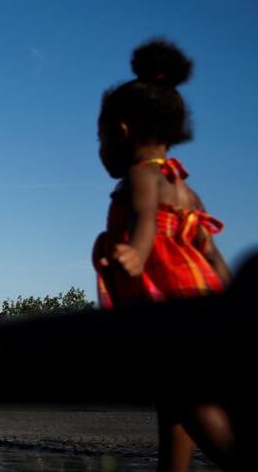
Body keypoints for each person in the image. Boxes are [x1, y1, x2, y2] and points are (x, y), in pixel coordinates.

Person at [92, 39, 236, 471]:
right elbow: (208, 252)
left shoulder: (141, 176)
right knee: (174, 413)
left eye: (98, 137)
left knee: (188, 402)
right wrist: (233, 300)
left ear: (121, 130)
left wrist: (135, 253)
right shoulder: (187, 190)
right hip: (198, 304)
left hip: (167, 306)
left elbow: (145, 219)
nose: (99, 149)